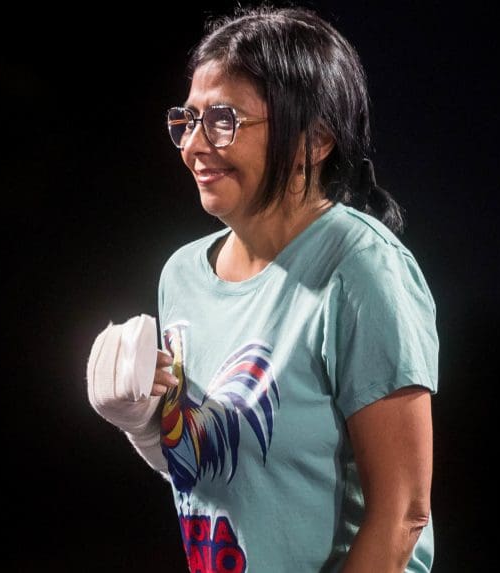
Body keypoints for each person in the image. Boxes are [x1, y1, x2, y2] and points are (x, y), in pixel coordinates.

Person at [86, 4, 439, 572]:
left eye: (224, 119)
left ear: (314, 139)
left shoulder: (361, 268)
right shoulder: (181, 274)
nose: (194, 145)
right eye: (188, 119)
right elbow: (222, 477)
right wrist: (142, 424)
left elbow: (402, 515)